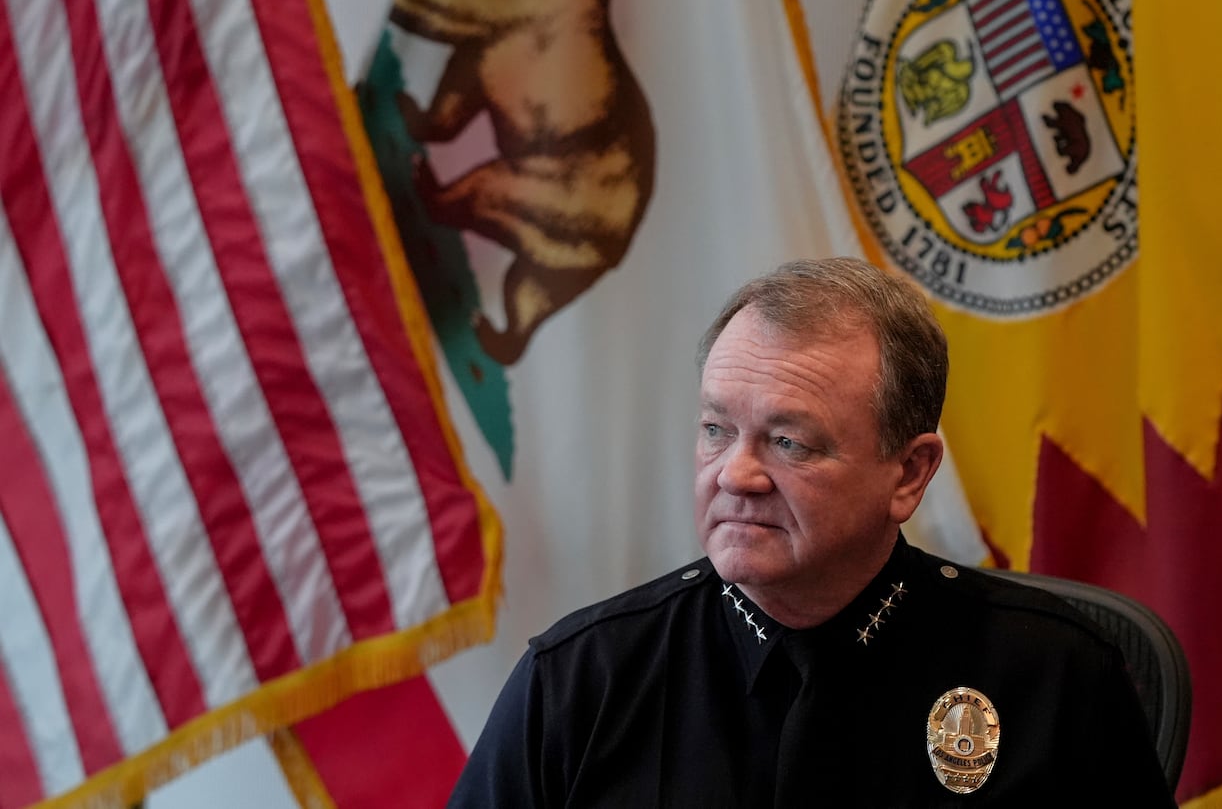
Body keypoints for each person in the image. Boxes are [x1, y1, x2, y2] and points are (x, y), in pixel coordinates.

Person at [447, 257, 1176, 806]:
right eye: (715, 429)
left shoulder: (1053, 675)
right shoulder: (582, 681)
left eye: (789, 442)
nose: (736, 474)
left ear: (909, 474)